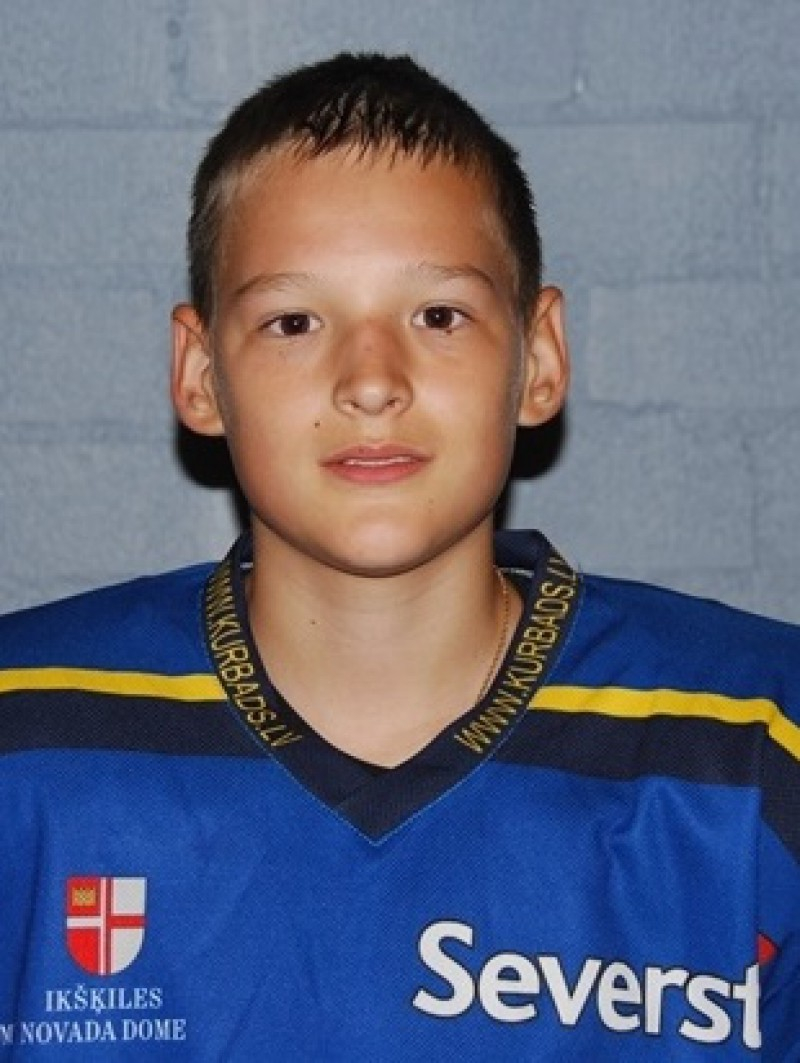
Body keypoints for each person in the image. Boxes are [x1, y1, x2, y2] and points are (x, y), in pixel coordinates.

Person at [0, 52, 797, 1060]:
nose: (371, 380)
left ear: (538, 357)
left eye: (438, 316)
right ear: (199, 376)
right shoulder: (27, 738)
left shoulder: (757, 744)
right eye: (294, 321)